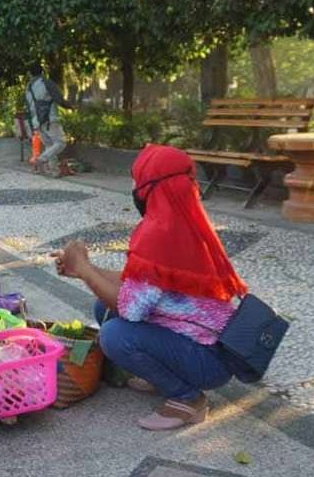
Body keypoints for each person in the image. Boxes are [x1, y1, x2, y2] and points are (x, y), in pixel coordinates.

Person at [51, 144, 248, 431]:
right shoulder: (185, 222)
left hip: (208, 360)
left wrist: (83, 268)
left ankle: (187, 399)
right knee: (101, 306)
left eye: (136, 180)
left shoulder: (158, 234)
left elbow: (129, 310)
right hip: (214, 347)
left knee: (115, 334)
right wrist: (83, 269)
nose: (133, 187)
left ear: (150, 187)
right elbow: (141, 284)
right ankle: (165, 373)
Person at [25, 64, 73, 177]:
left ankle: (54, 171)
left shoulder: (28, 88)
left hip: (36, 121)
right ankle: (41, 159)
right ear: (42, 72)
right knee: (61, 143)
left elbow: (29, 106)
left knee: (49, 145)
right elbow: (59, 99)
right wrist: (70, 106)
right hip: (50, 118)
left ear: (30, 73)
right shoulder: (46, 83)